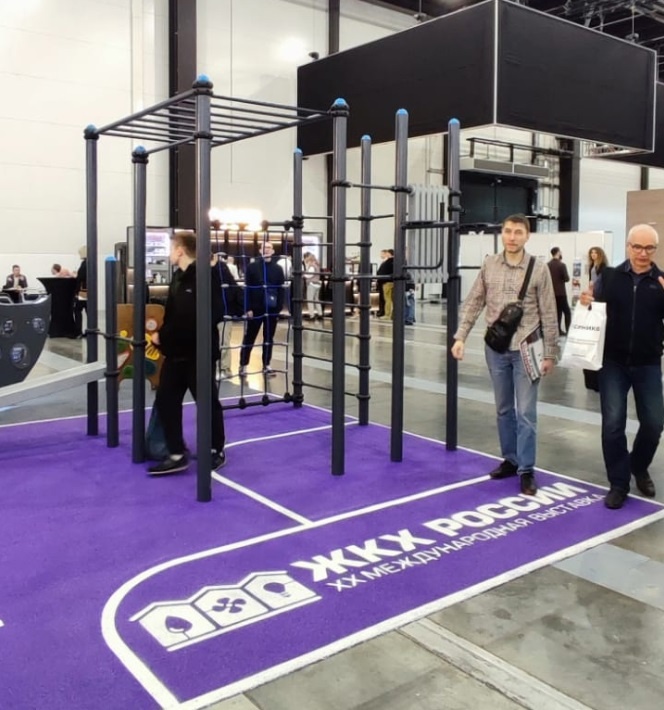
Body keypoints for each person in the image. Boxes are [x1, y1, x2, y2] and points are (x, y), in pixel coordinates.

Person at [451, 214, 558, 495]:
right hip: (496, 349)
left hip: (527, 348)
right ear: (502, 233)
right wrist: (460, 336)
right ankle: (511, 459)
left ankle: (527, 469)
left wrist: (550, 353)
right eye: (508, 231)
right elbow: (474, 301)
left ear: (527, 236)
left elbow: (549, 313)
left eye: (518, 232)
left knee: (526, 412)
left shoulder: (539, 269)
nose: (512, 237)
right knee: (503, 409)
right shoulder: (489, 264)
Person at [580, 224, 664, 509]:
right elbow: (593, 309)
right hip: (612, 362)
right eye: (637, 246)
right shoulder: (610, 277)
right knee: (613, 425)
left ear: (655, 249)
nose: (643, 253)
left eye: (649, 248)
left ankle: (638, 466)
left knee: (654, 423)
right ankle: (618, 483)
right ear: (628, 247)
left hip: (648, 363)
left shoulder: (661, 281)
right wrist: (585, 302)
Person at [149, 231, 227, 475]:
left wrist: (163, 336)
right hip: (176, 353)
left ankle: (215, 449)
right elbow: (175, 314)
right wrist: (164, 338)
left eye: (171, 248)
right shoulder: (178, 277)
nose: (169, 254)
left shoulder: (205, 276)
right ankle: (176, 453)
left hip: (198, 354)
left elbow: (209, 313)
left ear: (180, 250)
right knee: (166, 400)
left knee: (206, 402)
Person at [239, 241, 286, 376]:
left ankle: (266, 365)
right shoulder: (252, 267)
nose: (266, 250)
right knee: (250, 337)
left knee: (269, 338)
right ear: (260, 251)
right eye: (264, 248)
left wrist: (278, 308)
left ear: (273, 251)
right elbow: (247, 288)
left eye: (269, 248)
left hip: (271, 310)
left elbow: (281, 289)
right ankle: (243, 365)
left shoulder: (278, 269)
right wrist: (248, 308)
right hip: (255, 309)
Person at [212, 253, 243, 379]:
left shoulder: (222, 269)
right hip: (214, 312)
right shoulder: (203, 269)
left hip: (223, 312)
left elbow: (233, 289)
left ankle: (224, 369)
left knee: (223, 342)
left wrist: (243, 308)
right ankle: (218, 368)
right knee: (218, 342)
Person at [547, 247, 571, 335]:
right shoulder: (562, 265)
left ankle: (558, 331)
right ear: (558, 253)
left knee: (557, 312)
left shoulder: (547, 265)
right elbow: (566, 278)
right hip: (561, 293)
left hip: (551, 293)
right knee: (567, 312)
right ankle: (569, 330)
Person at [377, 248, 394, 319]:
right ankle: (392, 314)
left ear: (388, 253)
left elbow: (382, 271)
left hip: (387, 282)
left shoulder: (389, 261)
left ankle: (387, 315)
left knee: (387, 299)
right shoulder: (394, 261)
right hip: (391, 282)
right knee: (391, 299)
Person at [304, 253, 322, 319]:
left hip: (312, 284)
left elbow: (309, 275)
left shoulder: (312, 266)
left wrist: (303, 274)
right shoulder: (317, 265)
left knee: (310, 300)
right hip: (317, 284)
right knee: (316, 299)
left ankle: (312, 315)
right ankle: (320, 314)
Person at [74, 246, 87, 337]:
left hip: (83, 292)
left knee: (77, 310)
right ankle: (90, 330)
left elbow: (80, 278)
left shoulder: (84, 264)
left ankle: (78, 331)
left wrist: (76, 292)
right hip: (88, 291)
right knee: (88, 310)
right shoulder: (91, 263)